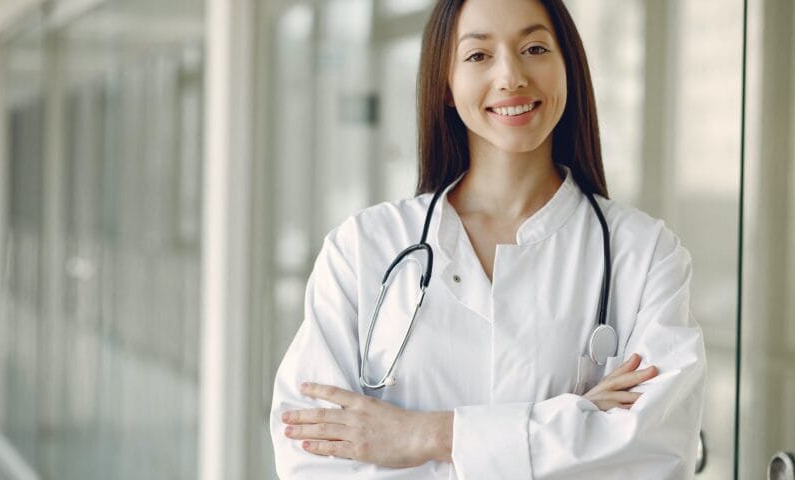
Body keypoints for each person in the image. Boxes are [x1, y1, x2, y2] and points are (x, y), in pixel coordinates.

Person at [270, 0, 706, 478]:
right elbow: (311, 457)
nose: (511, 76)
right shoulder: (363, 248)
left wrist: (424, 436)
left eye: (534, 48)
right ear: (446, 85)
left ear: (569, 68)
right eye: (478, 55)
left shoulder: (645, 254)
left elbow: (656, 453)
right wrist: (576, 423)